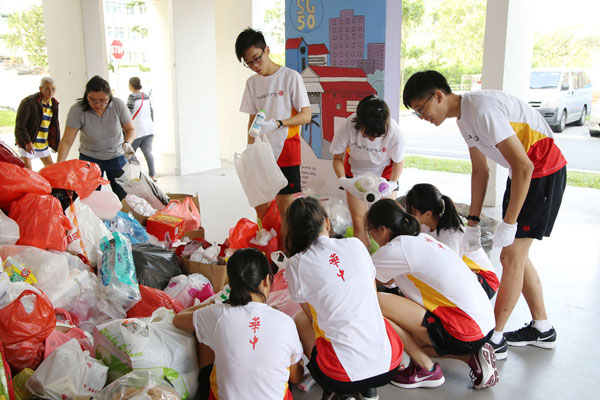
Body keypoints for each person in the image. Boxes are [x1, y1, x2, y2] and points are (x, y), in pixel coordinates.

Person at [402, 71, 566, 360]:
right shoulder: (465, 118)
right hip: (523, 175)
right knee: (518, 255)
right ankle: (542, 327)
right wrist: (474, 222)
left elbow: (524, 166)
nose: (422, 116)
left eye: (421, 109)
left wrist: (510, 221)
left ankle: (496, 336)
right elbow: (482, 170)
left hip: (541, 172)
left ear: (438, 96)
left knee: (510, 257)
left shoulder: (482, 109)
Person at [366, 199, 498, 390]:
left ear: (383, 229)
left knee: (374, 303)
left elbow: (361, 283)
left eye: (370, 230)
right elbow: (387, 280)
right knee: (412, 337)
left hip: (464, 328)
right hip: (482, 325)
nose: (371, 236)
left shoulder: (396, 249)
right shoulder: (420, 239)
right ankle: (471, 357)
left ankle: (425, 369)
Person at [284, 197, 403, 400]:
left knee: (300, 320)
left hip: (341, 373)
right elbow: (372, 292)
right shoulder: (356, 245)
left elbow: (311, 317)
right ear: (327, 223)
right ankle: (368, 391)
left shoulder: (296, 264)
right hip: (389, 362)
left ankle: (338, 391)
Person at [173, 248, 304, 400]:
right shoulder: (285, 322)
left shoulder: (217, 314)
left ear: (230, 283)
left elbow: (178, 319)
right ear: (266, 280)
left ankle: (204, 387)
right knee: (290, 362)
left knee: (204, 332)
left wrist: (210, 304)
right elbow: (295, 377)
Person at [236, 28, 311, 247]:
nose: (254, 66)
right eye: (248, 63)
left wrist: (278, 123)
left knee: (286, 209)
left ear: (267, 50)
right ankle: (267, 251)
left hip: (287, 150)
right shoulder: (252, 83)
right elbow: (252, 120)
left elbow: (306, 115)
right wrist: (249, 150)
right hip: (261, 151)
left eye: (257, 58)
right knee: (261, 206)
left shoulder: (290, 77)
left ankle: (286, 255)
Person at [330, 95, 405, 249]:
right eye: (367, 134)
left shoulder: (395, 132)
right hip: (355, 173)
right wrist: (344, 181)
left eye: (377, 136)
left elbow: (398, 162)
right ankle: (363, 259)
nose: (372, 140)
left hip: (384, 174)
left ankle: (388, 259)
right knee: (359, 221)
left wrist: (392, 184)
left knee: (387, 223)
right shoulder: (348, 126)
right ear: (359, 123)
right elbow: (337, 158)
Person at [404, 183, 499, 301]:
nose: (408, 216)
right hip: (461, 275)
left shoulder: (451, 236)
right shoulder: (425, 226)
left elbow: (450, 272)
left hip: (485, 282)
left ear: (428, 214)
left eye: (411, 212)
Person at [57, 75, 136, 200]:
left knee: (126, 196)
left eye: (103, 100)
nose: (97, 104)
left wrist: (127, 143)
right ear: (86, 96)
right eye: (92, 100)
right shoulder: (77, 110)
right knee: (89, 198)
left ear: (110, 96)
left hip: (116, 156)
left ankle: (126, 218)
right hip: (89, 158)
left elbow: (130, 129)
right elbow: (67, 141)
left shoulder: (118, 105)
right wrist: (59, 165)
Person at [14, 76, 60, 169]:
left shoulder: (54, 104)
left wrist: (55, 144)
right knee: (28, 173)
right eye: (47, 88)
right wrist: (27, 142)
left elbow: (53, 125)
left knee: (52, 169)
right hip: (28, 143)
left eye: (53, 89)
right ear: (40, 89)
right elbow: (20, 125)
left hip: (43, 143)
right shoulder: (29, 102)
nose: (51, 91)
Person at [127, 77, 156, 182]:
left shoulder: (132, 97)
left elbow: (127, 114)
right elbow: (151, 111)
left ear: (131, 85)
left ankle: (136, 175)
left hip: (137, 129)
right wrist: (150, 123)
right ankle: (152, 175)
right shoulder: (146, 96)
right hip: (148, 128)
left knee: (130, 153)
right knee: (148, 152)